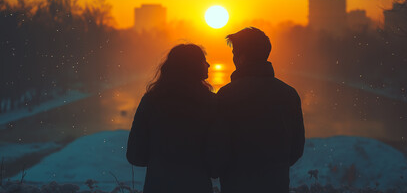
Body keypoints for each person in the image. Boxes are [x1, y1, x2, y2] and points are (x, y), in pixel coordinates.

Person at [209, 27, 305, 193]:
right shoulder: (288, 94)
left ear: (241, 58)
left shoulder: (226, 95)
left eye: (234, 53)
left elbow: (219, 149)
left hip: (237, 185)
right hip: (276, 184)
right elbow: (296, 149)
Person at [126, 44, 214, 193]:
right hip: (197, 186)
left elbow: (135, 155)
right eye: (203, 60)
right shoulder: (211, 103)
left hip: (159, 186)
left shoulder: (151, 101)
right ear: (193, 67)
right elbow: (216, 158)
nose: (208, 64)